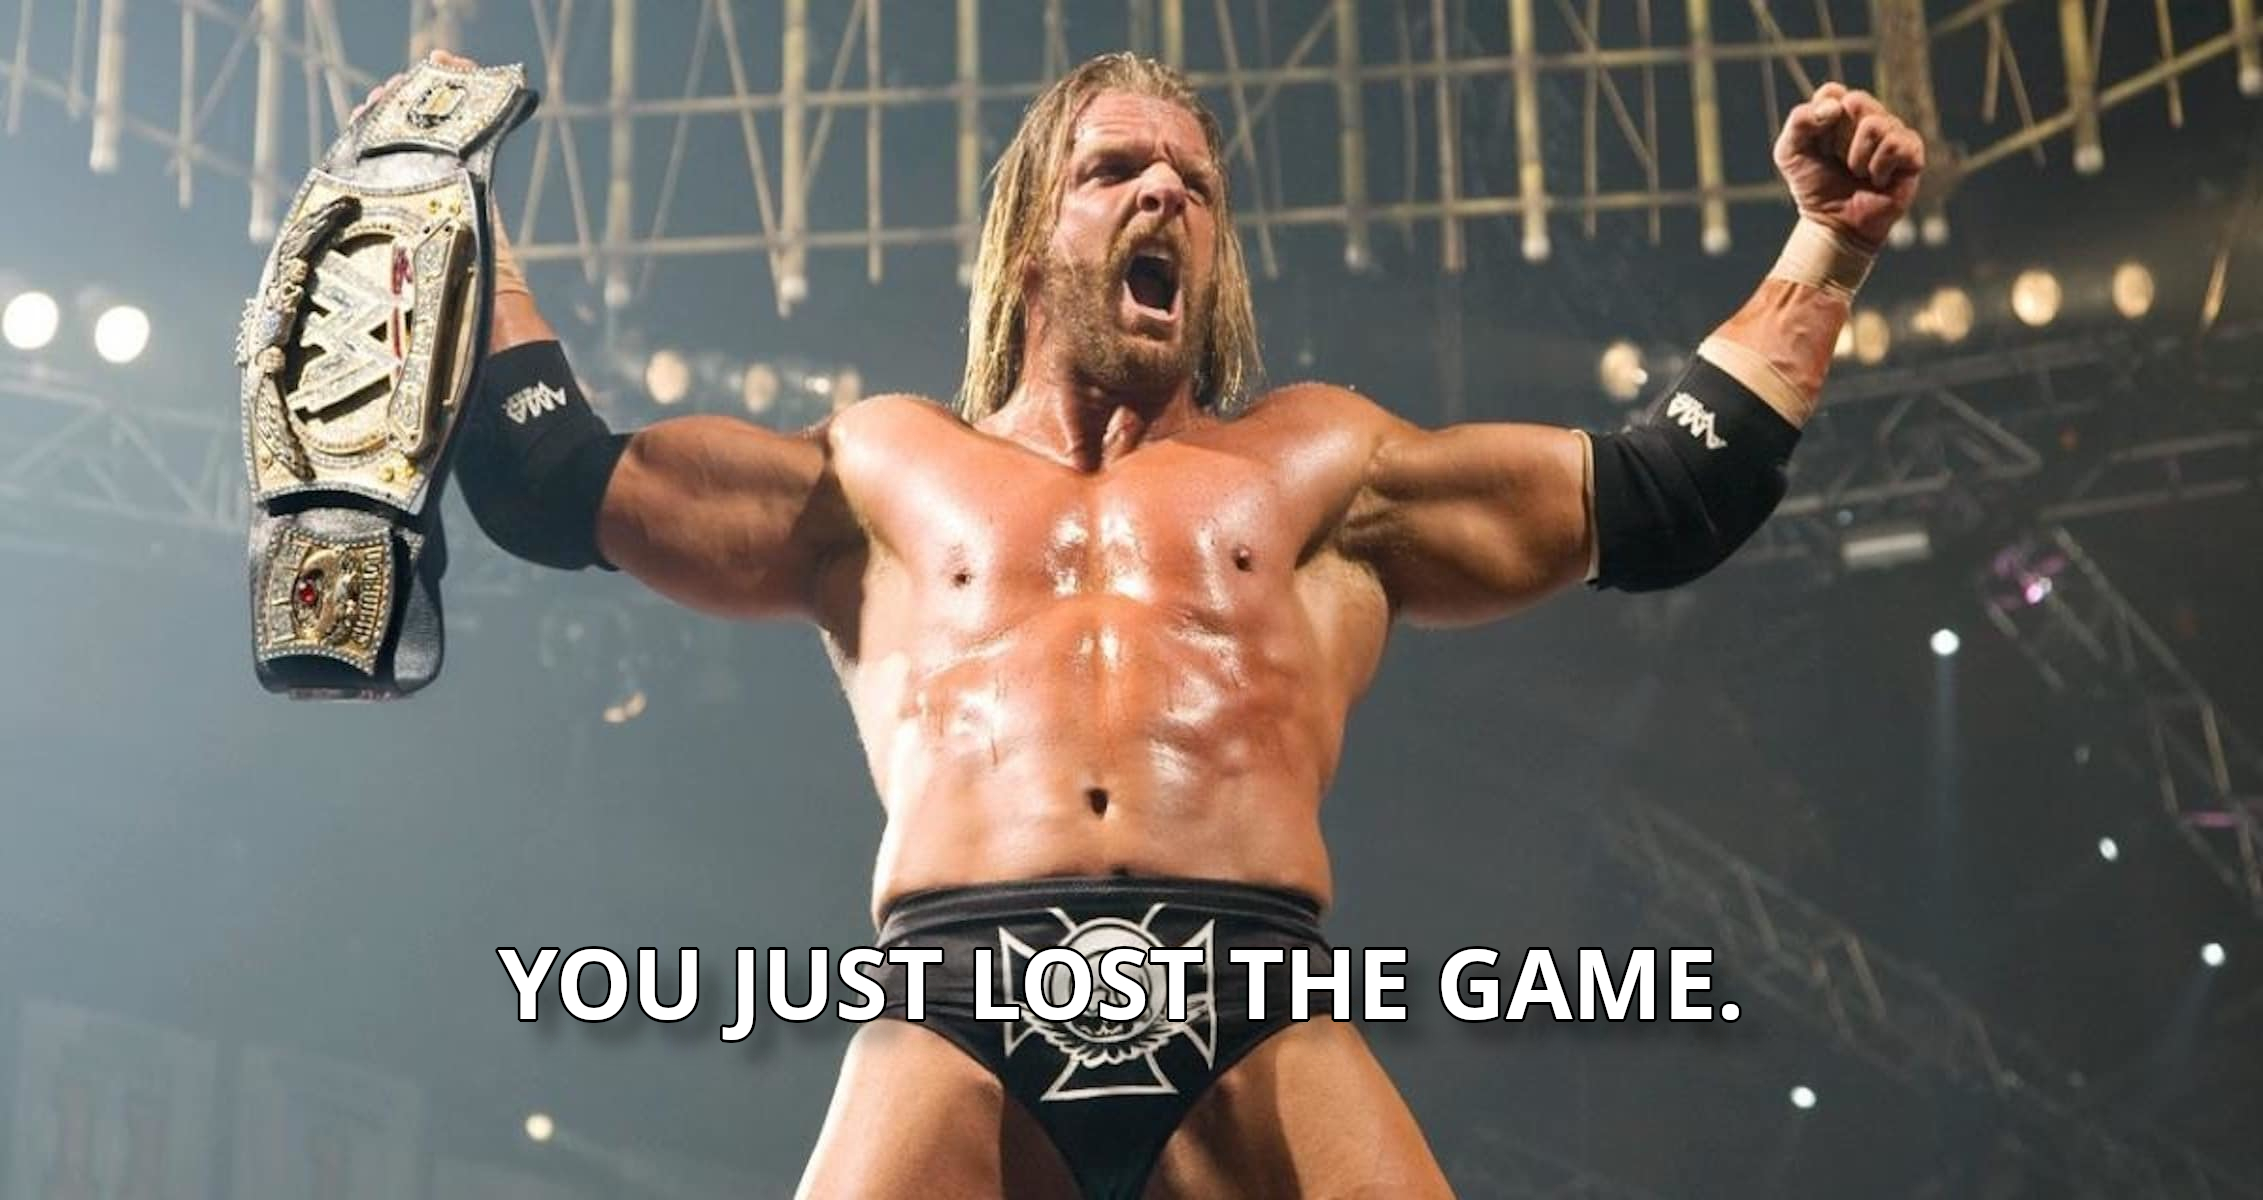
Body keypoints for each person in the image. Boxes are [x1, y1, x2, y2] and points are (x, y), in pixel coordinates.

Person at [378, 46, 1922, 1200]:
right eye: (1118, 168)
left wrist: (1831, 246)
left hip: (1252, 995)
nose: (1167, 191)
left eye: (1194, 180)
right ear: (1033, 232)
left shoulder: (1324, 467)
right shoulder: (883, 470)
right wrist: (462, 228)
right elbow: (553, 482)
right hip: (959, 993)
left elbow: (1664, 495)